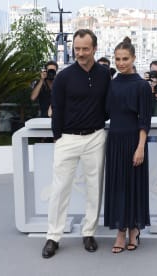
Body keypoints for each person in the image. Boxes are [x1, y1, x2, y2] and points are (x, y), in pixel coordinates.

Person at [42, 29, 111, 259]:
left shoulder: (104, 75)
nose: (80, 53)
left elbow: (109, 104)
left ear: (94, 48)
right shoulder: (63, 76)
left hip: (95, 137)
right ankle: (53, 236)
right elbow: (56, 107)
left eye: (85, 49)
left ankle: (89, 232)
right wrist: (57, 137)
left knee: (95, 187)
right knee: (60, 189)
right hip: (67, 139)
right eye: (77, 48)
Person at [104, 37, 152, 254]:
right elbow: (104, 111)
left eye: (125, 59)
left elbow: (145, 120)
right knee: (117, 186)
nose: (121, 63)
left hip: (134, 140)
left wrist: (141, 147)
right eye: (117, 59)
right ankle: (120, 232)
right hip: (114, 140)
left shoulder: (142, 86)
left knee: (134, 186)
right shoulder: (112, 83)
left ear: (133, 58)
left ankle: (134, 229)